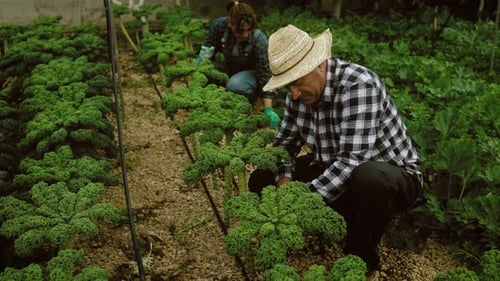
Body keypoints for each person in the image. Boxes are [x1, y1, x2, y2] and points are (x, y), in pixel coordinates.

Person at [248, 24, 424, 281]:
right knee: (263, 177)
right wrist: (284, 184)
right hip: (335, 169)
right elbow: (284, 146)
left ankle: (361, 258)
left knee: (369, 177)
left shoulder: (358, 85)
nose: (293, 94)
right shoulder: (297, 96)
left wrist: (298, 204)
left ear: (319, 65)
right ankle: (345, 216)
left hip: (390, 175)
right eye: (287, 87)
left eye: (297, 83)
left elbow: (352, 161)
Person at [196, 0, 280, 129]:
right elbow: (208, 50)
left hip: (251, 73)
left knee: (235, 85)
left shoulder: (259, 38)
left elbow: (265, 73)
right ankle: (207, 105)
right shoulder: (219, 26)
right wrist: (197, 69)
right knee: (204, 70)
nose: (245, 35)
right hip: (229, 67)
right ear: (230, 24)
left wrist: (268, 108)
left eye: (249, 30)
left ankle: (251, 103)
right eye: (240, 31)